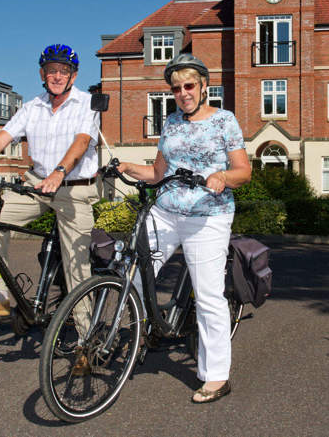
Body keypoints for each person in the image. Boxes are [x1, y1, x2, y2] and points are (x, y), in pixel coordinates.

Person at [116, 53, 251, 404]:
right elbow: (159, 174)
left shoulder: (224, 121)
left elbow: (243, 171)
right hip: (165, 211)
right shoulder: (171, 123)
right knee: (131, 273)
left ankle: (216, 376)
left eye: (189, 85)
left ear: (204, 86)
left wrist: (221, 176)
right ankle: (138, 337)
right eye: (176, 88)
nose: (183, 93)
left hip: (207, 216)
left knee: (208, 297)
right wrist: (129, 167)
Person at [0, 44, 100, 317]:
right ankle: (0, 299)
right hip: (37, 185)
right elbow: (2, 137)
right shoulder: (32, 107)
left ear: (73, 76)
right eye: (52, 70)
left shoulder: (87, 104)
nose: (57, 76)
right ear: (42, 73)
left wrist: (59, 172)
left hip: (74, 189)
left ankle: (86, 339)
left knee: (77, 265)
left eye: (64, 71)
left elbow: (82, 141)